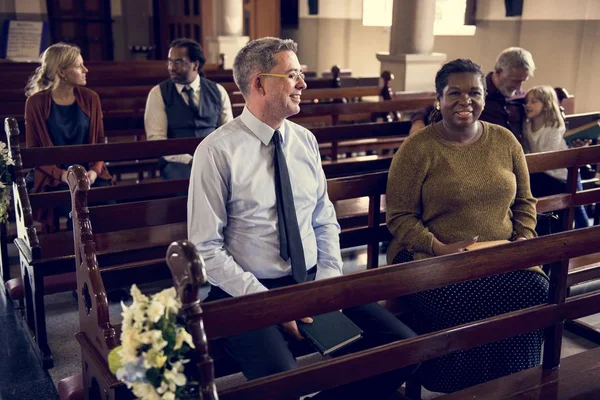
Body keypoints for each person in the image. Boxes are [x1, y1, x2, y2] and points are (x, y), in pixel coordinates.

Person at [188, 37, 417, 399]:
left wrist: (326, 284)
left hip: (312, 281)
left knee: (403, 349)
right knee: (284, 381)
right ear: (259, 83)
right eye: (292, 74)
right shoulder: (217, 152)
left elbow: (324, 219)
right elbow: (206, 247)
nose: (303, 84)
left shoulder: (305, 141)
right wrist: (269, 304)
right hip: (246, 293)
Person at [387, 59, 549, 393]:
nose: (466, 101)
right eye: (454, 93)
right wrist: (438, 248)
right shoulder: (418, 148)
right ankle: (456, 389)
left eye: (474, 92)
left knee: (534, 290)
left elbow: (525, 202)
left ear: (485, 97)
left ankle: (513, 385)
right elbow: (399, 217)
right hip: (430, 255)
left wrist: (523, 239)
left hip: (501, 252)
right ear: (438, 99)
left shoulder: (505, 141)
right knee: (460, 299)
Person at [24, 43, 113, 233]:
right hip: (53, 177)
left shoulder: (91, 98)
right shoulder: (35, 103)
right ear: (61, 72)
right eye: (79, 66)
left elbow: (99, 143)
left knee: (105, 202)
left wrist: (94, 172)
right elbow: (35, 153)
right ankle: (75, 257)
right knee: (76, 206)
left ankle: (102, 256)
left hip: (89, 174)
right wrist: (64, 175)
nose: (85, 69)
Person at [144, 38, 233, 180]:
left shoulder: (218, 91)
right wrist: (189, 160)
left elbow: (228, 133)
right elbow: (157, 139)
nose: (171, 67)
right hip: (177, 161)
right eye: (169, 61)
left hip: (213, 157)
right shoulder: (158, 93)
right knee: (187, 180)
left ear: (195, 65)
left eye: (178, 62)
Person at [410, 47, 535, 144]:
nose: (519, 87)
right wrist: (418, 123)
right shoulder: (475, 91)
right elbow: (431, 109)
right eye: (514, 80)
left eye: (523, 81)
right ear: (498, 72)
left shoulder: (521, 96)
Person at [524, 85, 591, 228]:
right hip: (546, 174)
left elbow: (553, 153)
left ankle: (586, 235)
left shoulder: (553, 127)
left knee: (577, 208)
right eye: (527, 101)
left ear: (546, 105)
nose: (528, 105)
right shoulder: (527, 125)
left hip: (564, 174)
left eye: (534, 101)